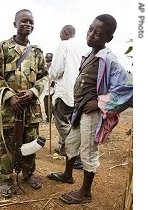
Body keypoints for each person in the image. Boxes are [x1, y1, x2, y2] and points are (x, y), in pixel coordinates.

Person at [47, 14, 133, 204]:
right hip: (79, 110)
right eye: (90, 29)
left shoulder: (108, 59)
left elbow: (127, 89)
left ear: (108, 38)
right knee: (70, 142)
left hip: (92, 113)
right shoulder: (88, 56)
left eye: (98, 33)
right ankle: (67, 174)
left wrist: (101, 103)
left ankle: (85, 192)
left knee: (88, 150)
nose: (91, 35)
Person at [0, 9, 49, 198]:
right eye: (23, 21)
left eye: (31, 22)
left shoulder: (38, 52)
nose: (28, 25)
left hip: (31, 109)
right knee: (8, 144)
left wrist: (33, 92)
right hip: (10, 109)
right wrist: (9, 96)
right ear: (15, 24)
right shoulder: (3, 48)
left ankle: (28, 174)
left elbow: (44, 77)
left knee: (30, 143)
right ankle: (5, 179)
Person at [49, 24, 83, 157]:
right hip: (78, 92)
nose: (60, 37)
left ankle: (76, 153)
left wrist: (50, 75)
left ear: (66, 32)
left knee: (62, 122)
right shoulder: (81, 48)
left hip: (65, 90)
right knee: (72, 122)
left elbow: (56, 70)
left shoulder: (64, 45)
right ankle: (64, 148)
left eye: (60, 34)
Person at [43, 53, 56, 123]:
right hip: (46, 88)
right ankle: (52, 117)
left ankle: (49, 118)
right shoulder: (45, 66)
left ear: (51, 58)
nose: (46, 58)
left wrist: (52, 83)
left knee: (47, 103)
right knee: (48, 104)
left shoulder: (53, 66)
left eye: (48, 57)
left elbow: (54, 76)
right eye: (46, 57)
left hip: (50, 88)